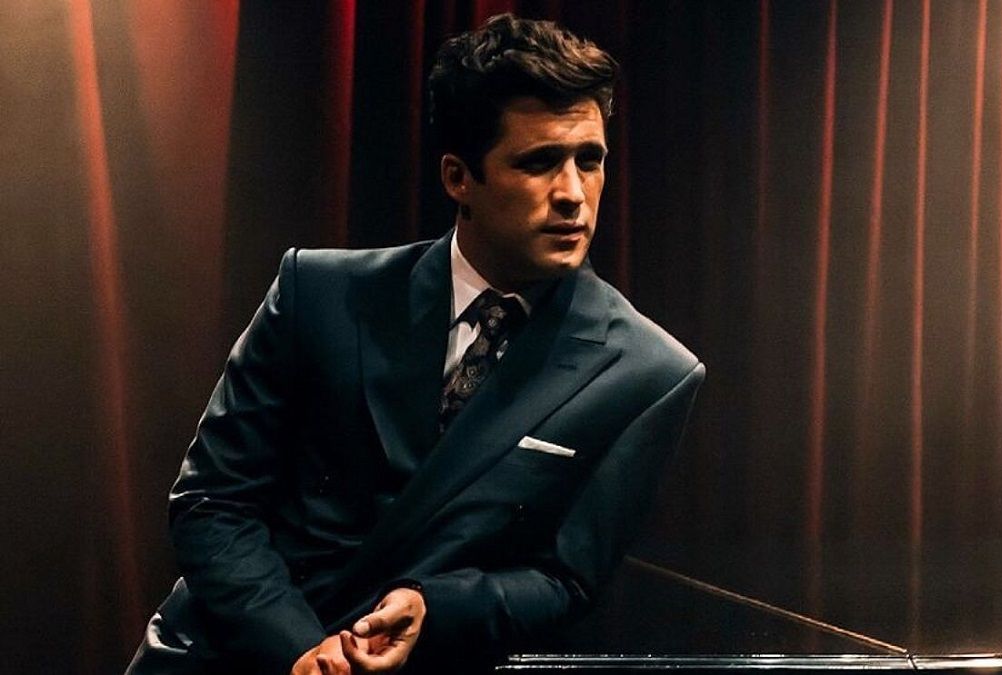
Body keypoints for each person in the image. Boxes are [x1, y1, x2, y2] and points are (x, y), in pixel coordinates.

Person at [126, 13, 704, 674]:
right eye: (538, 162)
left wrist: (433, 606)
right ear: (459, 177)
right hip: (234, 651)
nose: (573, 194)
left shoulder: (649, 372)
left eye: (589, 160)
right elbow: (211, 502)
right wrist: (300, 651)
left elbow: (568, 579)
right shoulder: (319, 292)